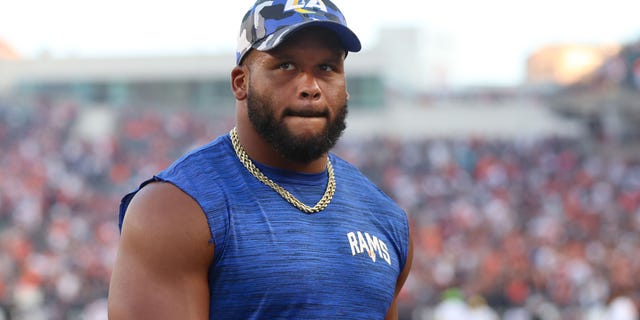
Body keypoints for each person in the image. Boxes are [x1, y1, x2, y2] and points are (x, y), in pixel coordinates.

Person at [108, 0, 413, 318]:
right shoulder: (176, 207)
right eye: (286, 66)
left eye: (327, 68)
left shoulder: (385, 217)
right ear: (241, 82)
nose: (310, 87)